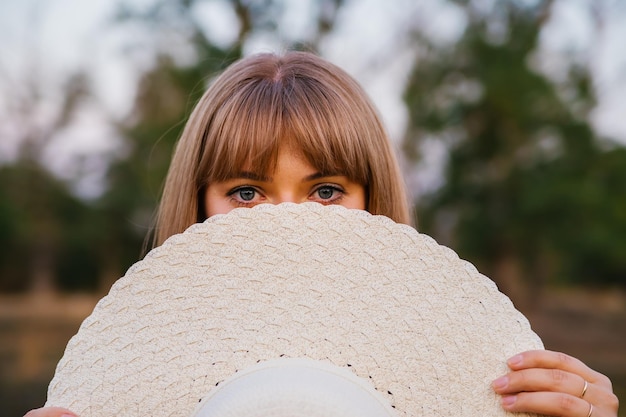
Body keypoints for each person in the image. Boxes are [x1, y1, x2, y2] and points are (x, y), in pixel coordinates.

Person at [26, 51, 618, 417]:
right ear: (200, 204)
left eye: (326, 190)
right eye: (247, 192)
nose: (289, 220)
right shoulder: (119, 389)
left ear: (372, 199)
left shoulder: (479, 373)